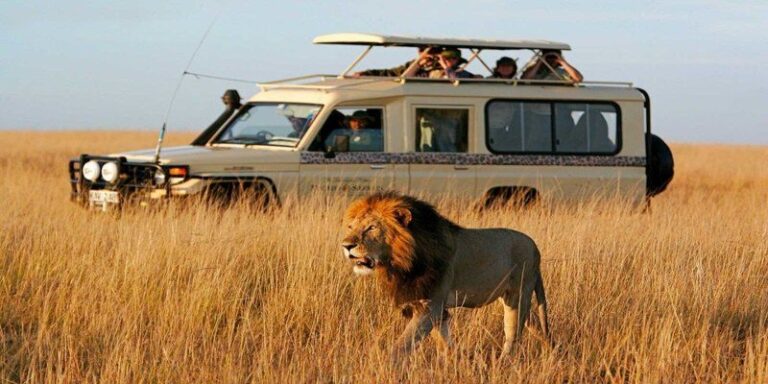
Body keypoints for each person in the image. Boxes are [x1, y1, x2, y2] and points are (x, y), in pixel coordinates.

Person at [353, 47, 440, 77]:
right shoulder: (412, 64)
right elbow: (391, 73)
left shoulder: (442, 65)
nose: (421, 53)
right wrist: (367, 73)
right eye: (421, 50)